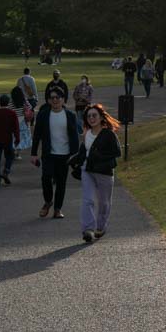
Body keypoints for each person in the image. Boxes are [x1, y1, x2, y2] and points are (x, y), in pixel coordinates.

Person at [71, 104, 123, 243]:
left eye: (94, 115)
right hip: (87, 170)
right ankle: (88, 230)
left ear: (101, 117)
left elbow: (117, 152)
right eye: (89, 116)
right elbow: (84, 152)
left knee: (104, 202)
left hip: (104, 172)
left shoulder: (108, 134)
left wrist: (99, 155)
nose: (92, 118)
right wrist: (74, 159)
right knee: (87, 200)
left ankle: (100, 227)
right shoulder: (87, 133)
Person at [30, 86, 79, 219]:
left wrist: (76, 156)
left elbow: (74, 136)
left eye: (58, 97)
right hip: (49, 154)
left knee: (61, 183)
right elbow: (37, 135)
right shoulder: (44, 114)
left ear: (63, 100)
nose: (55, 100)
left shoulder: (70, 115)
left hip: (65, 155)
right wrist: (33, 153)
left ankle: (57, 209)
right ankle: (48, 201)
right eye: (52, 98)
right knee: (46, 177)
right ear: (49, 100)